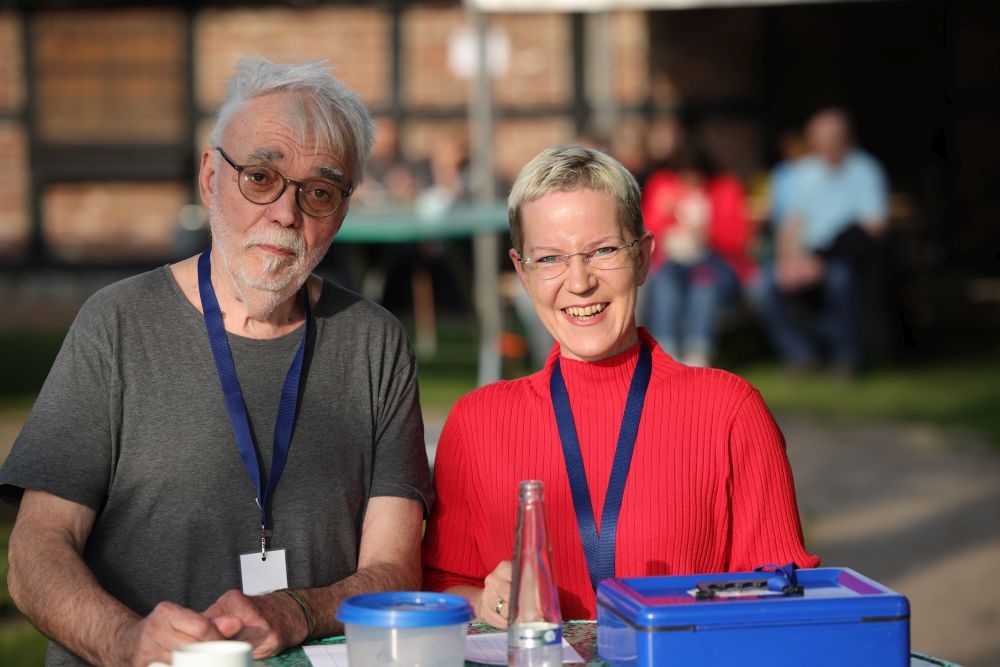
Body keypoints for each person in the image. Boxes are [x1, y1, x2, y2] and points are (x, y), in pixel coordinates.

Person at [0, 56, 432, 666]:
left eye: (319, 191)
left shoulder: (374, 342)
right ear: (210, 177)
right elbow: (35, 555)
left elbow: (395, 571)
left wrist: (300, 610)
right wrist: (126, 641)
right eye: (260, 177)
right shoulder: (118, 324)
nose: (285, 213)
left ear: (341, 210)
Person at [421, 144, 819, 625]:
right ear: (523, 273)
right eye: (549, 259)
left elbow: (784, 599)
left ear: (645, 257)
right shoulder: (477, 422)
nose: (579, 281)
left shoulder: (728, 411)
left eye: (604, 251)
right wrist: (486, 603)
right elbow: (440, 584)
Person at [757, 108, 889, 376]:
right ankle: (801, 355)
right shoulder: (805, 173)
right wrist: (788, 260)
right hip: (806, 256)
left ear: (845, 139)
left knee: (841, 279)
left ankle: (847, 357)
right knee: (762, 287)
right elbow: (791, 223)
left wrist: (821, 260)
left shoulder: (865, 170)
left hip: (845, 257)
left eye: (828, 141)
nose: (821, 147)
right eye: (816, 142)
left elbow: (873, 228)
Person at [642, 144, 755, 367]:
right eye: (683, 176)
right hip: (673, 262)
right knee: (665, 284)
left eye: (695, 176)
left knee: (703, 284)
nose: (690, 181)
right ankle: (667, 351)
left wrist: (708, 231)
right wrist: (665, 214)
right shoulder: (663, 187)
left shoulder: (725, 188)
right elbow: (646, 232)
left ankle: (698, 352)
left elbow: (739, 237)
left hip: (716, 262)